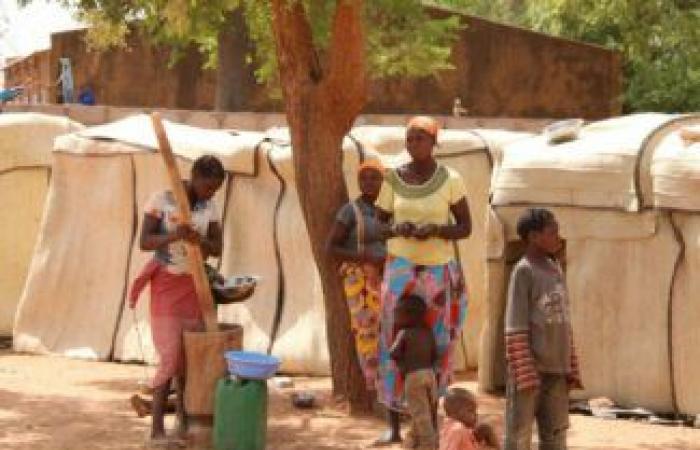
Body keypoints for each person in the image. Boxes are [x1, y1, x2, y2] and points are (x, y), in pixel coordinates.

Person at [375, 116, 472, 445]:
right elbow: (379, 224)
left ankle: (429, 421)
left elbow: (465, 227)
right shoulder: (393, 178)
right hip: (401, 266)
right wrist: (396, 229)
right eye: (409, 139)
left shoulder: (450, 179)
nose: (413, 144)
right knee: (393, 337)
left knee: (437, 342)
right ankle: (393, 424)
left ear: (434, 143)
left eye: (420, 138)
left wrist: (437, 230)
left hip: (436, 270)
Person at [128, 155, 225, 447]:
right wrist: (173, 235)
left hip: (193, 285)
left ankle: (183, 423)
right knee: (170, 357)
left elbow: (217, 248)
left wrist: (199, 241)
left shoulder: (210, 207)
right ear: (193, 177)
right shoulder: (163, 199)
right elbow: (145, 242)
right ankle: (157, 430)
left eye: (215, 190)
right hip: (166, 285)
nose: (210, 194)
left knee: (187, 359)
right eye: (207, 187)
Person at [503, 208, 582, 450]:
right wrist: (526, 368)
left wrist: (570, 361)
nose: (558, 236)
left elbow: (563, 319)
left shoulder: (555, 267)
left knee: (556, 434)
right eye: (552, 232)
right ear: (534, 236)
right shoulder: (523, 271)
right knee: (520, 434)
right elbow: (515, 322)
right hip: (530, 368)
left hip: (557, 368)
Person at [326, 160, 388, 391]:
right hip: (360, 279)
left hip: (386, 277)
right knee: (367, 332)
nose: (369, 182)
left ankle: (389, 389)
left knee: (388, 331)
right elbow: (331, 248)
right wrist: (366, 258)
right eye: (364, 178)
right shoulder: (350, 211)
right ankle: (374, 388)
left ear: (384, 181)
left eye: (375, 177)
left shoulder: (389, 210)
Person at [390, 294, 438, 450]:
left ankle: (428, 446)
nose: (395, 315)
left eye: (397, 312)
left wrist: (402, 363)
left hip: (414, 377)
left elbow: (393, 353)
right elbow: (434, 355)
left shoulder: (403, 333)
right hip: (430, 375)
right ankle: (410, 445)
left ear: (408, 316)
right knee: (425, 413)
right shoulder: (428, 332)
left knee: (420, 416)